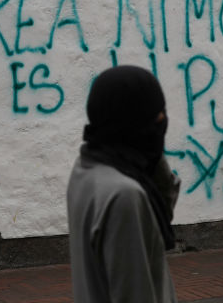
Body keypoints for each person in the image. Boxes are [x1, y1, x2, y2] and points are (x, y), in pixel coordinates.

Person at [67, 65, 180, 303]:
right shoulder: (124, 195)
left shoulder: (86, 170)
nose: (163, 123)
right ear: (136, 125)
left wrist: (151, 159)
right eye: (157, 117)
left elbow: (157, 224)